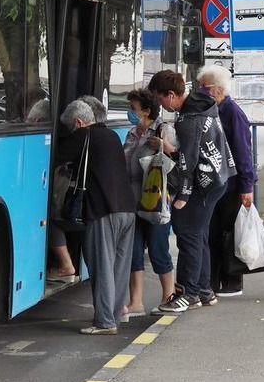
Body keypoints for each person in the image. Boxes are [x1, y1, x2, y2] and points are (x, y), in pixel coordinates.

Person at [147, 70, 235, 313]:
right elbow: (195, 150)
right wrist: (173, 150)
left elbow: (188, 161)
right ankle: (204, 290)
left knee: (188, 234)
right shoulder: (203, 107)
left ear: (172, 94)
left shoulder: (188, 119)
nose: (161, 105)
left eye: (161, 99)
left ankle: (189, 293)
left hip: (202, 184)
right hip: (217, 179)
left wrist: (183, 196)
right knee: (199, 234)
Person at [54, 99, 136, 334]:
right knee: (119, 267)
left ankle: (104, 322)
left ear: (79, 122)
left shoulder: (83, 136)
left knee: (101, 266)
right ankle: (115, 314)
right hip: (127, 209)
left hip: (103, 210)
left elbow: (56, 156)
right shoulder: (111, 136)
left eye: (71, 127)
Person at [196, 65, 259, 298]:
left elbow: (244, 152)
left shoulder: (232, 112)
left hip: (232, 185)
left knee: (229, 233)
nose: (201, 90)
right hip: (219, 183)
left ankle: (232, 281)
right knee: (214, 233)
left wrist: (247, 186)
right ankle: (213, 282)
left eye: (204, 87)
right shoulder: (215, 110)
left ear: (217, 90)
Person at [122, 88, 177, 316]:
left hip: (155, 200)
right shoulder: (132, 134)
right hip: (132, 200)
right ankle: (136, 302)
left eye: (133, 108)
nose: (130, 113)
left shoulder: (164, 130)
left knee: (158, 249)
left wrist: (164, 147)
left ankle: (169, 296)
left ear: (146, 111)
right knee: (133, 252)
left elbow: (178, 159)